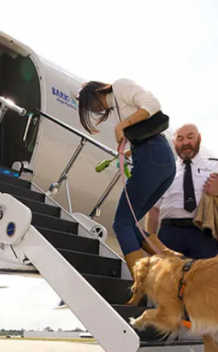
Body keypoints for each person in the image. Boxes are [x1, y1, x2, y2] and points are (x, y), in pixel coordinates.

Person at [145, 123, 218, 352]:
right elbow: (153, 210)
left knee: (211, 299)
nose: (185, 142)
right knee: (170, 298)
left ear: (199, 138)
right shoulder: (165, 169)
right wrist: (153, 243)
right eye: (180, 138)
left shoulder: (215, 164)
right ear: (174, 143)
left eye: (190, 137)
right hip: (169, 233)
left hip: (204, 234)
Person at [76, 79, 178, 280]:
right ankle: (176, 262)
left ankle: (141, 284)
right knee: (132, 224)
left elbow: (153, 105)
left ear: (95, 93)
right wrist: (129, 151)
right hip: (161, 159)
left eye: (90, 105)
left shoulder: (120, 86)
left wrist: (123, 125)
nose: (94, 110)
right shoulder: (117, 107)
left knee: (121, 223)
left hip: (152, 156)